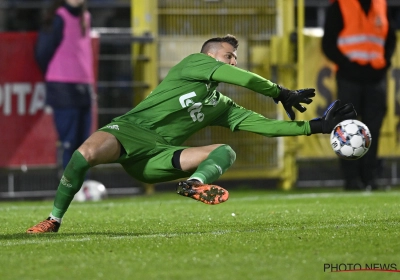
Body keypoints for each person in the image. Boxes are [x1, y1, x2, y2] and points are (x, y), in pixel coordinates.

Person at [27, 34, 356, 233]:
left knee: (225, 150)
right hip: (129, 131)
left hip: (158, 158)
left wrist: (317, 126)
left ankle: (195, 184)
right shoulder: (193, 63)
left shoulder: (221, 105)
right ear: (210, 55)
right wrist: (279, 91)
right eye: (229, 57)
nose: (233, 62)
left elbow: (268, 128)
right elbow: (244, 79)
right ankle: (53, 220)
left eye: (235, 59)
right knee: (84, 154)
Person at [322, 0, 397, 191]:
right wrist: (347, 65)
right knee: (347, 128)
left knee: (373, 129)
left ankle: (370, 178)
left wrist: (385, 62)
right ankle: (351, 179)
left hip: (375, 78)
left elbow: (390, 39)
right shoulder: (340, 5)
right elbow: (328, 44)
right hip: (350, 78)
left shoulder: (382, 5)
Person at [35, 0, 94, 170]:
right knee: (68, 142)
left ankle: (82, 187)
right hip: (63, 87)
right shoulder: (58, 17)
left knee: (85, 144)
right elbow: (42, 52)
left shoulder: (86, 17)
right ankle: (67, 187)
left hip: (84, 85)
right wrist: (57, 72)